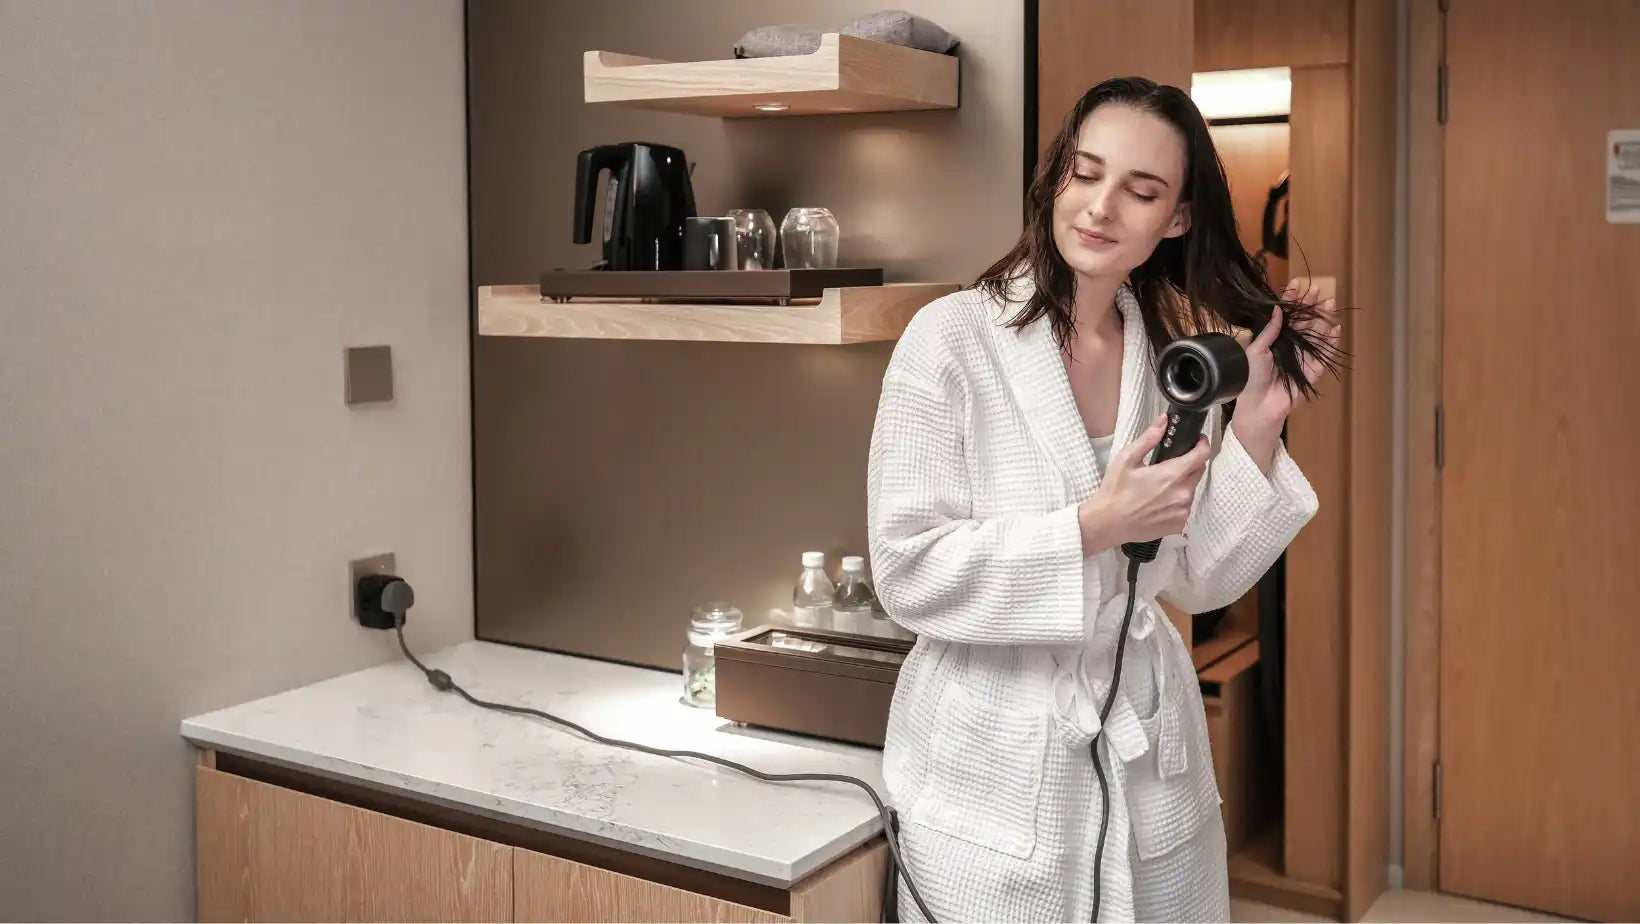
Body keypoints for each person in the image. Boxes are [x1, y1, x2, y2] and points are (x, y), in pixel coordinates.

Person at [865, 76, 1344, 923]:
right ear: (1056, 178)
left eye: (1142, 189)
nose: (1100, 206)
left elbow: (1195, 581)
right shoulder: (950, 342)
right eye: (1084, 174)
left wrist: (1262, 422)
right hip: (993, 775)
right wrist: (1093, 526)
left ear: (1180, 218)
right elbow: (907, 573)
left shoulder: (1167, 358)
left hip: (1147, 765)